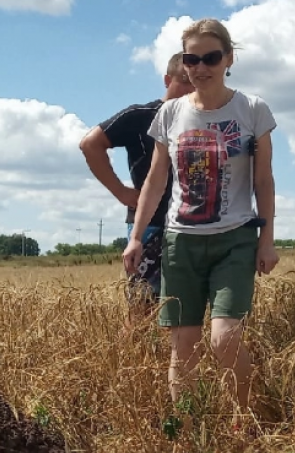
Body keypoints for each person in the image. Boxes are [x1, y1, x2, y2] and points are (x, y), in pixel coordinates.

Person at [121, 18, 278, 418]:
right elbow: (156, 181)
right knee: (182, 345)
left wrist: (267, 239)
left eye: (211, 57)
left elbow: (263, 181)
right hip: (180, 242)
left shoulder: (253, 110)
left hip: (235, 239)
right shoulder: (171, 114)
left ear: (228, 58)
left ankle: (246, 421)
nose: (201, 66)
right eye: (192, 58)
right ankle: (189, 433)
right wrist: (136, 237)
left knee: (224, 339)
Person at [80, 53, 194, 321]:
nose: (190, 90)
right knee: (142, 307)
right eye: (183, 81)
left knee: (189, 307)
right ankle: (137, 361)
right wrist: (120, 191)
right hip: (150, 225)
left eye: (196, 84)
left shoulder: (204, 119)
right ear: (167, 80)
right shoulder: (141, 115)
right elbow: (90, 144)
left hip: (196, 225)